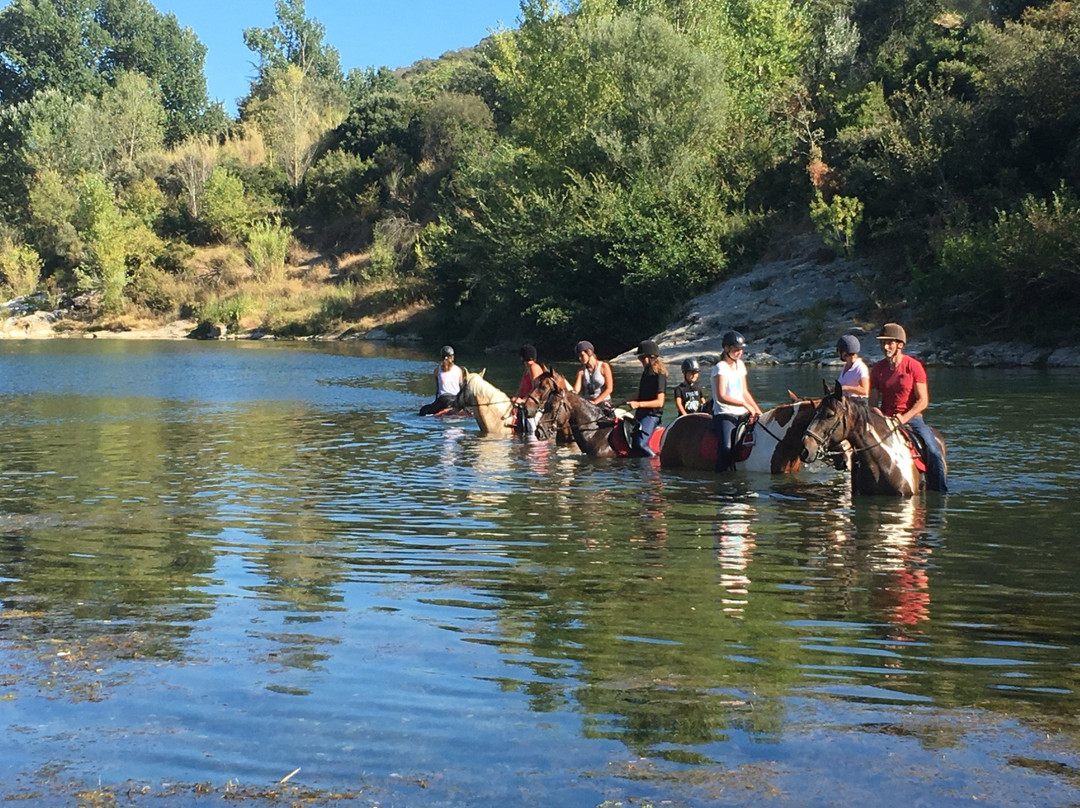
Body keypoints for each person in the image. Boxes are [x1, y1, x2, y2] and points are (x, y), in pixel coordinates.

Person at [868, 322, 948, 492]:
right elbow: (872, 403)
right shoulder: (877, 369)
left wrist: (903, 418)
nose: (885, 347)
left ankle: (939, 489)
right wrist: (880, 416)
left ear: (900, 345)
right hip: (886, 419)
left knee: (933, 450)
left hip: (912, 419)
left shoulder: (914, 366)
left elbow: (923, 401)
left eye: (889, 343)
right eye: (883, 343)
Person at [710, 330, 763, 471]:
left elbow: (744, 391)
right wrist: (743, 404)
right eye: (736, 349)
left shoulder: (740, 365)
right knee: (726, 446)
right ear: (726, 348)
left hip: (742, 412)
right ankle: (720, 474)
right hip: (724, 413)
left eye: (741, 349)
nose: (739, 352)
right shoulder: (720, 368)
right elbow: (721, 396)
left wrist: (757, 411)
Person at [626, 339, 667, 457]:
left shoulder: (660, 376)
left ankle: (655, 461)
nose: (640, 361)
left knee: (641, 444)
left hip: (652, 416)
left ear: (651, 357)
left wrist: (638, 404)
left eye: (641, 358)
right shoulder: (646, 373)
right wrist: (619, 402)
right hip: (641, 413)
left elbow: (660, 402)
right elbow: (640, 393)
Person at [419, 345, 464, 415]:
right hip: (455, 400)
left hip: (442, 400)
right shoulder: (459, 370)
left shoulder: (437, 370)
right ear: (452, 357)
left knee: (423, 410)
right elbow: (461, 388)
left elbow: (438, 388)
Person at [511, 344, 545, 436]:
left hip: (533, 404)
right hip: (524, 403)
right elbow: (521, 388)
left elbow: (536, 388)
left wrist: (523, 400)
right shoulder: (527, 369)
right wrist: (515, 398)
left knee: (531, 427)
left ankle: (534, 439)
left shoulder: (534, 367)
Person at [572, 340, 614, 412]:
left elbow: (609, 389)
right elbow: (576, 390)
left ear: (589, 352)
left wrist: (595, 402)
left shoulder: (604, 366)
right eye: (579, 356)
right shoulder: (581, 371)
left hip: (603, 402)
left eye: (582, 355)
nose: (580, 359)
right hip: (587, 404)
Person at [836, 334, 870, 399]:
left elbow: (865, 391)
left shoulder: (860, 367)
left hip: (857, 405)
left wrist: (845, 387)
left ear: (844, 353)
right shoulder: (845, 366)